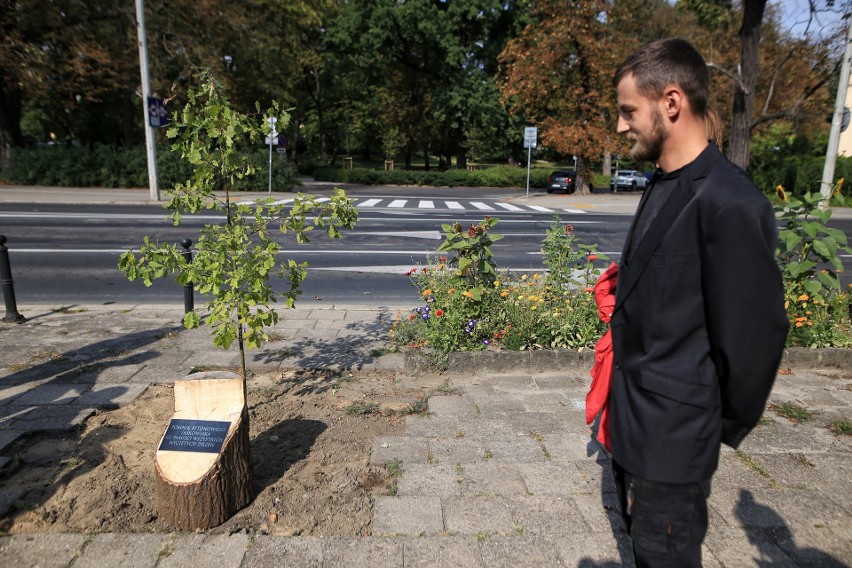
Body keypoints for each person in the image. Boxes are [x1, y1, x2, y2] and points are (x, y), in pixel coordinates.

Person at [606, 38, 789, 566]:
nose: (621, 126)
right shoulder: (664, 181)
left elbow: (755, 337)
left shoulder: (730, 202)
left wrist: (710, 422)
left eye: (627, 111)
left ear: (671, 102)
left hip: (676, 439)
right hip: (638, 424)